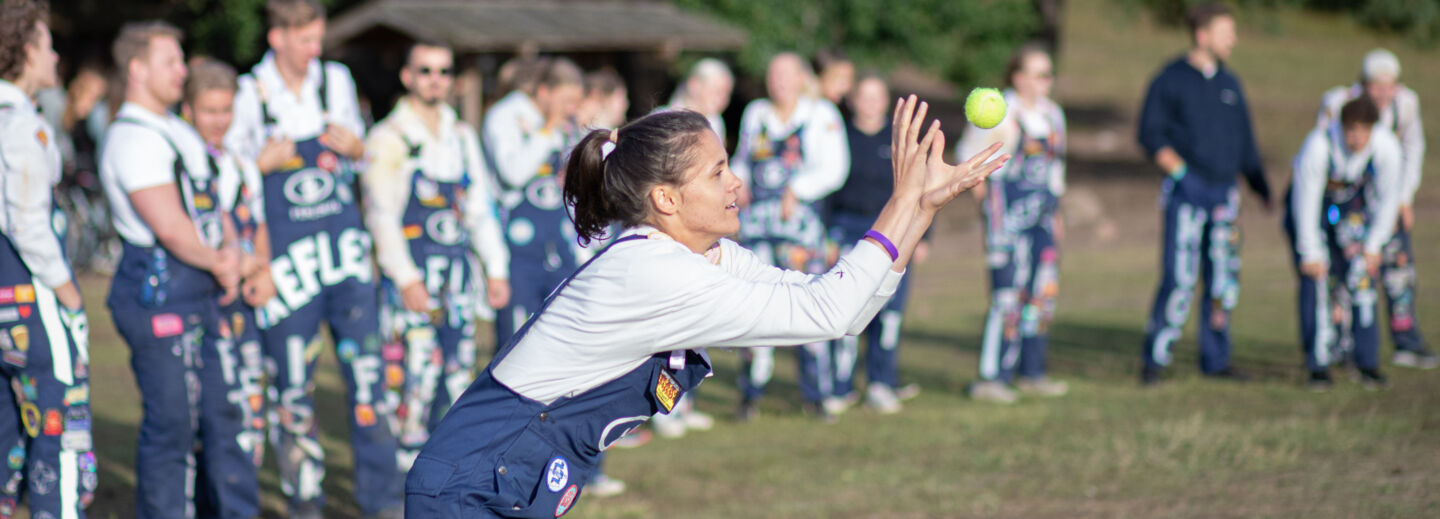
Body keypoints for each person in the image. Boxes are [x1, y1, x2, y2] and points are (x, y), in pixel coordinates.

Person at [403, 96, 1008, 519]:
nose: (736, 184)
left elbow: (833, 304)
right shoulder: (655, 274)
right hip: (469, 488)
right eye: (718, 172)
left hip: (497, 483)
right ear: (666, 198)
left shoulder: (700, 255)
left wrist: (919, 208)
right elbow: (831, 311)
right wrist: (905, 201)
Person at [224, 1, 403, 517]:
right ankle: (305, 501)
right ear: (277, 37)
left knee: (370, 380)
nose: (315, 49)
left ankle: (383, 499)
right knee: (292, 392)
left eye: (318, 38)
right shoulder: (247, 93)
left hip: (344, 260)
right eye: (305, 39)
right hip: (286, 269)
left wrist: (358, 148)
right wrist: (260, 164)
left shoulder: (336, 81)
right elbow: (231, 179)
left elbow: (363, 161)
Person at [100, 21, 259, 518]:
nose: (182, 70)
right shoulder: (133, 138)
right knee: (172, 428)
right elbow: (169, 226)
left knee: (220, 420)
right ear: (137, 68)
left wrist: (231, 252)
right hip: (160, 291)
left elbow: (214, 206)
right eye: (170, 61)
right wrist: (220, 261)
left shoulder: (173, 130)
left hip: (204, 287)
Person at [363, 40, 510, 470]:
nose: (435, 80)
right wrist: (406, 277)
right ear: (408, 77)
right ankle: (401, 484)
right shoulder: (388, 138)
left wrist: (495, 268)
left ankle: (448, 482)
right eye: (425, 71)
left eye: (443, 72)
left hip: (459, 281)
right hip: (413, 282)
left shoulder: (462, 137)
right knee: (411, 384)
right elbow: (381, 216)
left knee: (458, 379)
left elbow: (480, 210)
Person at [1136, 2, 1271, 385]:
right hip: (1187, 195)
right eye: (1226, 31)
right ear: (1202, 34)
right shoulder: (1170, 79)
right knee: (1179, 278)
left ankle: (1216, 359)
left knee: (1223, 281)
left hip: (1224, 197)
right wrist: (1183, 175)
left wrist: (1259, 184)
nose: (1234, 39)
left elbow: (1245, 142)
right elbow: (1150, 135)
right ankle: (1155, 360)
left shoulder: (1231, 83)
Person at [0, 1, 96, 515]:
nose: (57, 55)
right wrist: (66, 286)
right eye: (49, 44)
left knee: (3, 436)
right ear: (27, 50)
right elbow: (27, 218)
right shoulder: (21, 123)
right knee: (57, 430)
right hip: (27, 293)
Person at [730, 52, 851, 420]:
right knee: (754, 314)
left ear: (801, 78)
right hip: (757, 229)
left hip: (800, 230)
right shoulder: (756, 114)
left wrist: (798, 188)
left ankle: (817, 395)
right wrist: (738, 183)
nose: (778, 81)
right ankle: (749, 396)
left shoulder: (821, 115)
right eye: (772, 74)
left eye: (785, 74)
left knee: (807, 309)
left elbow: (835, 168)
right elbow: (743, 159)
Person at [180, 56, 275, 516]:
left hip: (243, 310)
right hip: (202, 306)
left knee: (246, 412)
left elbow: (256, 224)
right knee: (206, 419)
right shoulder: (183, 165)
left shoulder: (240, 163)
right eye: (209, 111)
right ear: (188, 110)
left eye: (226, 111)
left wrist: (264, 269)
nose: (219, 121)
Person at [957, 43, 1069, 403]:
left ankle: (1032, 372)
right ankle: (991, 378)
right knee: (1007, 297)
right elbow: (967, 157)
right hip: (1007, 221)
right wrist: (984, 203)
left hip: (1043, 219)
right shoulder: (999, 111)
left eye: (1049, 74)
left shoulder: (1053, 115)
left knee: (1041, 295)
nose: (1045, 81)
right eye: (1039, 74)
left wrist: (1058, 211)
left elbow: (1055, 169)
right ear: (1018, 77)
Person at [821, 73, 931, 414]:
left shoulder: (899, 141)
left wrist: (923, 236)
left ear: (887, 102)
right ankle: (840, 387)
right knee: (847, 309)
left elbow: (923, 191)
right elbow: (827, 189)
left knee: (889, 314)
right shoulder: (839, 137)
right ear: (852, 100)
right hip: (848, 229)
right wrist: (826, 234)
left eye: (876, 96)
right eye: (863, 96)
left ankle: (881, 383)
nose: (869, 103)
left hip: (895, 235)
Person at [1316, 49, 1433, 369]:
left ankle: (1405, 339)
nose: (1383, 93)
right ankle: (1341, 341)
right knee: (1343, 271)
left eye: (1389, 86)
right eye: (1376, 86)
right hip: (1347, 202)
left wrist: (1404, 198)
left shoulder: (1406, 105)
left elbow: (1413, 148)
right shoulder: (1340, 104)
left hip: (1387, 199)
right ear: (1363, 84)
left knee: (1399, 269)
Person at [1286, 97, 1402, 390]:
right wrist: (1310, 251)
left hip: (1352, 212)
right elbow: (1305, 203)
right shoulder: (1318, 146)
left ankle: (1365, 362)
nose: (1357, 137)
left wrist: (1374, 245)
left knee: (1362, 280)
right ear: (1341, 126)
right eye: (1351, 129)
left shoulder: (1387, 149)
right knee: (1317, 280)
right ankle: (1318, 364)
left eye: (1364, 130)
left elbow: (1388, 202)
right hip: (1311, 213)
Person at [481, 57, 585, 350]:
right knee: (516, 349)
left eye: (575, 102)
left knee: (562, 349)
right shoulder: (504, 116)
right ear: (543, 92)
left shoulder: (566, 124)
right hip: (517, 255)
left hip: (560, 253)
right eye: (566, 101)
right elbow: (513, 173)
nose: (571, 110)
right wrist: (548, 129)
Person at [662, 58, 733, 145]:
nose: (723, 99)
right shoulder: (662, 120)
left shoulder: (716, 121)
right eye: (717, 91)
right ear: (694, 85)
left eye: (727, 94)